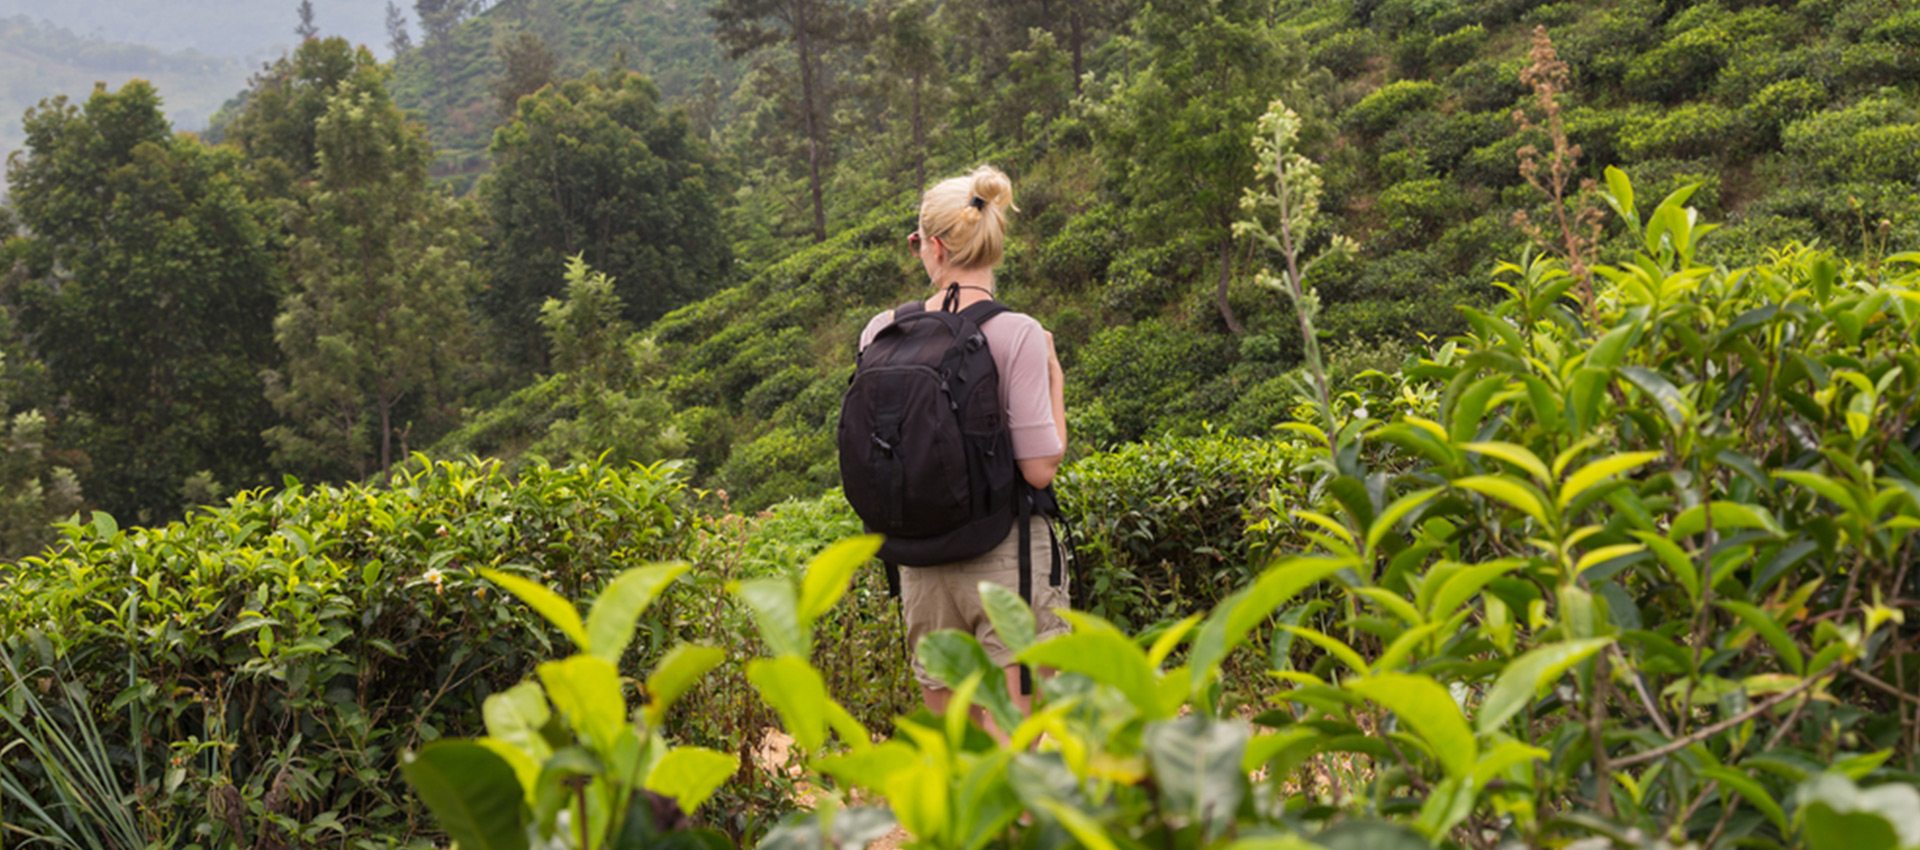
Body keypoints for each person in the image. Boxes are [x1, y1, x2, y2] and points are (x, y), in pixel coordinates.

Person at [854, 164, 1069, 724]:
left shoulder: (880, 331)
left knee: (959, 756)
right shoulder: (1018, 332)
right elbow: (1040, 467)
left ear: (930, 247)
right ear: (993, 241)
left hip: (919, 564)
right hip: (1006, 558)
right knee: (1010, 753)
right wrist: (1055, 380)